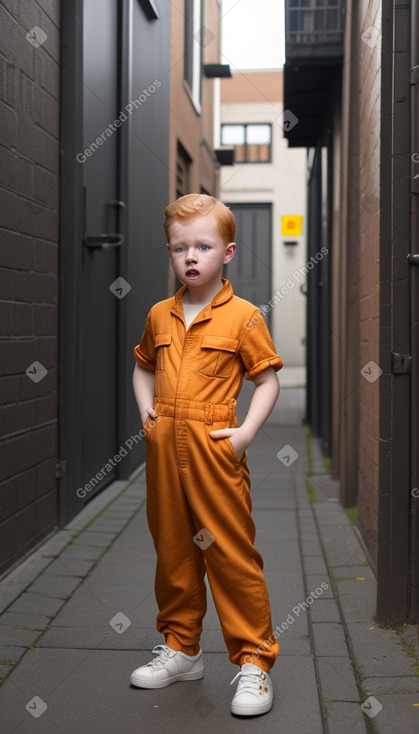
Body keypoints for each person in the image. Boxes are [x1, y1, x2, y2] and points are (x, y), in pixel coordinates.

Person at [130, 194, 283, 717]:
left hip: (215, 449)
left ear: (229, 251)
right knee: (173, 550)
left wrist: (245, 435)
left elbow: (267, 381)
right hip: (163, 450)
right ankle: (181, 649)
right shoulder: (159, 314)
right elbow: (143, 367)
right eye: (179, 248)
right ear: (170, 253)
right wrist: (146, 412)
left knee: (230, 554)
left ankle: (256, 663)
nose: (190, 257)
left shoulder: (243, 317)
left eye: (203, 246)